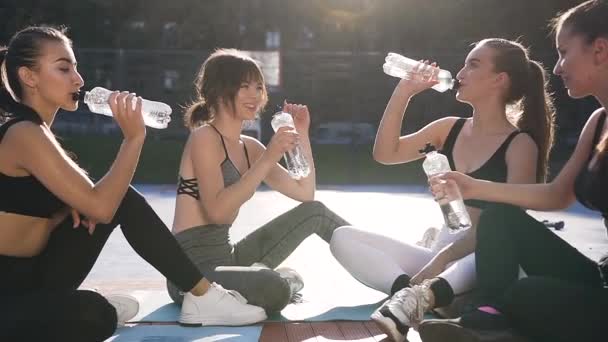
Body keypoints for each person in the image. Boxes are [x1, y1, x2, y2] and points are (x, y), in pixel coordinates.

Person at [0, 26, 266, 342]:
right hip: (9, 289)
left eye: (75, 67)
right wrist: (134, 138)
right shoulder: (23, 133)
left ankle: (202, 296)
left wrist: (64, 209)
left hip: (37, 274)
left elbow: (99, 202)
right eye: (64, 68)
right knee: (95, 315)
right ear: (29, 77)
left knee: (121, 200)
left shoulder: (38, 133)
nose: (78, 79)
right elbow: (101, 205)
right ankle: (91, 306)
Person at [329, 38, 556, 342]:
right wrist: (404, 91)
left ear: (498, 80)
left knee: (486, 247)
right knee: (343, 237)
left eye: (473, 65)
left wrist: (439, 261)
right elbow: (385, 153)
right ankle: (414, 299)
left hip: (484, 258)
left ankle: (425, 298)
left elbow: (508, 227)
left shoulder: (520, 145)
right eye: (464, 63)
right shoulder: (449, 127)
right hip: (443, 254)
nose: (460, 72)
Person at [418, 2, 608, 342]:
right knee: (498, 217)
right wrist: (475, 187)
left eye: (564, 53)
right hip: (599, 278)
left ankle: (499, 319)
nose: (559, 67)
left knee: (527, 295)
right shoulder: (598, 123)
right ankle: (489, 317)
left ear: (599, 49)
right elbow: (556, 194)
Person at [166, 49, 350, 314]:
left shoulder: (250, 147)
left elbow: (305, 193)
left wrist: (302, 135)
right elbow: (217, 212)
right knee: (271, 287)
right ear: (219, 91)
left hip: (227, 259)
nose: (255, 95)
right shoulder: (204, 137)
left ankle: (383, 263)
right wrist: (270, 156)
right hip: (191, 275)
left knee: (316, 212)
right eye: (244, 87)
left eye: (259, 87)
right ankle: (275, 281)